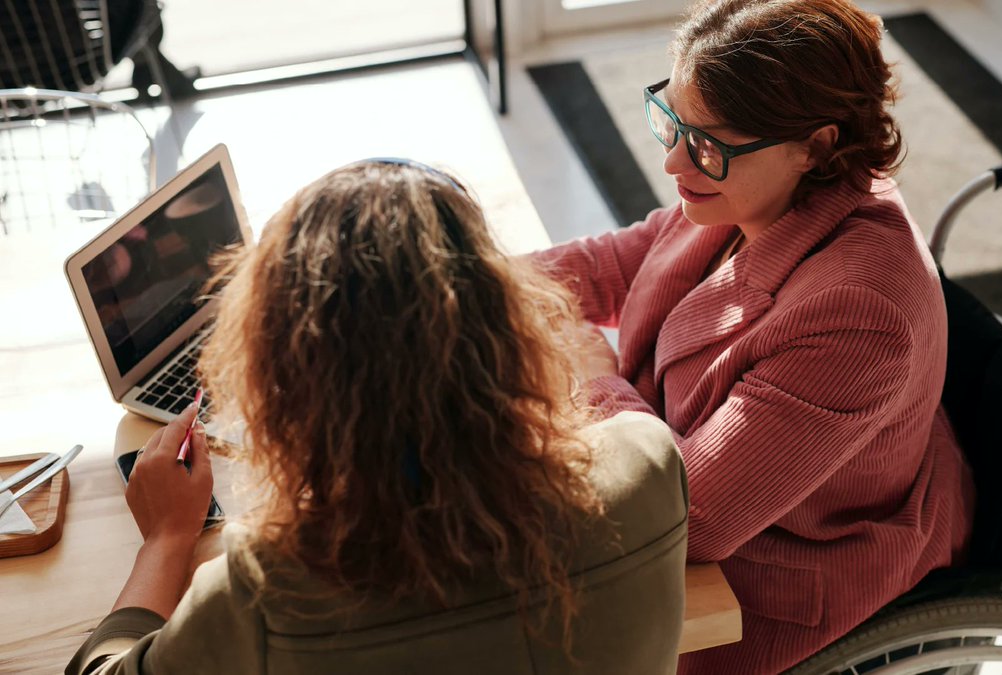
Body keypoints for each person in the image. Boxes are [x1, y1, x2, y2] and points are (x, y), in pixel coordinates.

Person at [67, 160, 689, 674]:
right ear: (511, 326)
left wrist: (167, 539)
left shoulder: (267, 590)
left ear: (283, 379)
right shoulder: (649, 463)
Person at [531, 1, 975, 673]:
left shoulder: (858, 312)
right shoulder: (750, 184)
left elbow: (694, 517)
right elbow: (619, 262)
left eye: (705, 144)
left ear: (817, 146)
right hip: (710, 495)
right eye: (670, 122)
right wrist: (452, 281)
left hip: (772, 581)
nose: (674, 163)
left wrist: (593, 371)